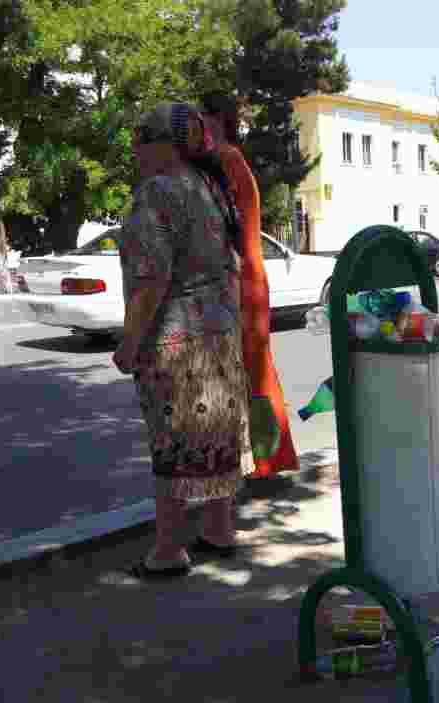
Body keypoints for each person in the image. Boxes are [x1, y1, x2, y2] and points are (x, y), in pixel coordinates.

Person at [113, 102, 253, 579]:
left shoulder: (157, 192)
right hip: (219, 335)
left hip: (176, 341)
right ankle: (219, 529)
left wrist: (129, 344)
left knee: (173, 445)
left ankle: (169, 551)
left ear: (158, 144)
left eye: (138, 140)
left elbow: (151, 278)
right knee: (215, 436)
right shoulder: (207, 186)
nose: (133, 151)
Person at [200, 92, 299, 478]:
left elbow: (230, 227)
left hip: (243, 278)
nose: (195, 131)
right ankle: (266, 459)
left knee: (254, 374)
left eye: (200, 121)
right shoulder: (227, 158)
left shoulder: (226, 159)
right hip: (247, 276)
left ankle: (265, 460)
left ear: (217, 121)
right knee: (255, 372)